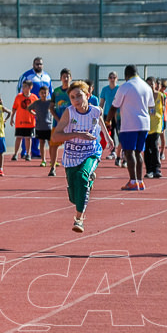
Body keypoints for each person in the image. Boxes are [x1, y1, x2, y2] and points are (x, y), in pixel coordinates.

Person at [50, 80, 106, 233]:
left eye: (79, 96)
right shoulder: (69, 113)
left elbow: (99, 121)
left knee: (82, 177)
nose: (76, 100)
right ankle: (89, 180)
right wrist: (78, 135)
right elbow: (55, 137)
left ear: (88, 95)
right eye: (73, 97)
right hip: (72, 155)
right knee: (74, 197)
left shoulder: (96, 110)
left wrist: (108, 138)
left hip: (91, 152)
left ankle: (79, 219)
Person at [106, 64, 154, 191]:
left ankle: (133, 181)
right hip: (144, 124)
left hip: (130, 124)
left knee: (129, 152)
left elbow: (113, 106)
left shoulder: (125, 87)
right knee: (138, 152)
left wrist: (107, 121)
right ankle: (140, 181)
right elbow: (151, 106)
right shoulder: (146, 86)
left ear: (126, 75)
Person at [17, 57, 51, 159]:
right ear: (33, 65)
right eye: (37, 64)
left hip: (43, 108)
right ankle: (25, 152)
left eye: (40, 64)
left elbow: (51, 91)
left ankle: (35, 152)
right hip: (30, 107)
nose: (38, 66)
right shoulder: (26, 76)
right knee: (28, 129)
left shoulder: (47, 77)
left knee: (40, 130)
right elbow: (19, 90)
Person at [48, 68, 72, 175]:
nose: (66, 79)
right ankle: (53, 167)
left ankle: (72, 167)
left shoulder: (73, 91)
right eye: (64, 77)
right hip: (57, 124)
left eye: (67, 77)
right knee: (53, 145)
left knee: (72, 145)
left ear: (70, 78)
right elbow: (51, 108)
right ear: (60, 78)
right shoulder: (56, 92)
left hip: (71, 124)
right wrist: (58, 119)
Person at [10, 79, 36, 161]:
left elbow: (38, 109)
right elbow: (14, 108)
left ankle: (28, 154)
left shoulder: (34, 97)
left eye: (25, 86)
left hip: (30, 122)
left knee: (28, 138)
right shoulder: (18, 97)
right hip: (20, 122)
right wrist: (11, 118)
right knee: (18, 138)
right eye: (23, 86)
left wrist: (36, 115)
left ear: (30, 87)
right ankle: (15, 154)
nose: (23, 88)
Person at [30, 84, 55, 168]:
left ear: (48, 93)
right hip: (40, 127)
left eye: (45, 93)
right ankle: (43, 160)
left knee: (51, 144)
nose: (43, 94)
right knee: (41, 143)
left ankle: (52, 160)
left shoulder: (50, 102)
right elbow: (29, 108)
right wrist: (35, 114)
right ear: (39, 94)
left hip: (49, 126)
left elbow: (55, 109)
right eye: (42, 93)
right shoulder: (37, 103)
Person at [99, 71, 121, 162]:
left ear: (117, 78)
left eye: (114, 77)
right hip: (107, 114)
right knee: (109, 133)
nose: (112, 79)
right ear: (108, 79)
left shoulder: (119, 89)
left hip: (118, 114)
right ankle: (112, 151)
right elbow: (102, 102)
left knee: (119, 132)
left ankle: (122, 151)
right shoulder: (105, 89)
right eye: (111, 77)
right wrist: (99, 112)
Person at [145, 76, 164, 178]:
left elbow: (163, 109)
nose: (150, 86)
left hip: (156, 124)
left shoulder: (160, 95)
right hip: (146, 125)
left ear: (155, 85)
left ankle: (157, 168)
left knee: (155, 146)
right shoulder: (144, 96)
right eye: (148, 84)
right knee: (147, 148)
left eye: (151, 84)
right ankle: (149, 169)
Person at [159, 78, 167, 160]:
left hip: (163, 118)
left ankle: (162, 152)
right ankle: (156, 151)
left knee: (162, 135)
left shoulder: (165, 95)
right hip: (156, 117)